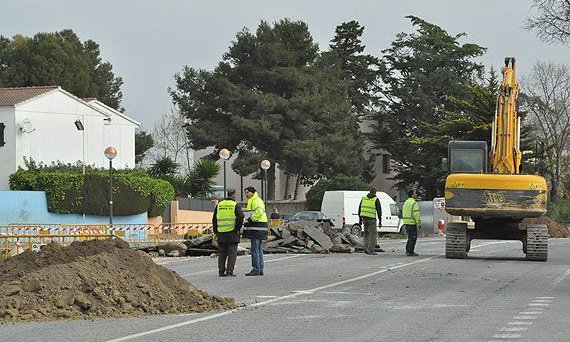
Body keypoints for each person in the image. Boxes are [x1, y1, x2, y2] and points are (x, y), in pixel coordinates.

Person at [212, 188, 244, 277]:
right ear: (233, 195)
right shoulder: (235, 205)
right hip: (232, 233)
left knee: (222, 254)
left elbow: (214, 219)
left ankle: (221, 272)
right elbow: (241, 216)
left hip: (221, 233)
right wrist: (237, 228)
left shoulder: (219, 205)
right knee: (232, 254)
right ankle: (229, 272)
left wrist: (216, 231)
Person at [242, 186, 268, 276]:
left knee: (255, 249)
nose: (246, 194)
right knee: (258, 249)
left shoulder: (256, 200)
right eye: (245, 192)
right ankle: (260, 269)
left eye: (247, 192)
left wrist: (250, 219)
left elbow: (259, 212)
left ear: (252, 192)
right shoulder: (254, 200)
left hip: (257, 227)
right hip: (260, 226)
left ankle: (256, 269)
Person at [358, 187, 382, 255]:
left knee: (366, 233)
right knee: (373, 234)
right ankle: (371, 250)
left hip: (364, 218)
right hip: (371, 219)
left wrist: (360, 219)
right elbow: (379, 210)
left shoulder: (364, 198)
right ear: (375, 193)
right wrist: (380, 220)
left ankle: (366, 247)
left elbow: (359, 209)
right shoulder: (376, 199)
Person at [402, 189, 421, 256]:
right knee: (413, 237)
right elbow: (416, 214)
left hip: (406, 222)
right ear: (412, 195)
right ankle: (410, 251)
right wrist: (418, 222)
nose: (416, 194)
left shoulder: (406, 202)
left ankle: (408, 250)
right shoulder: (414, 203)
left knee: (410, 237)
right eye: (415, 193)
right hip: (412, 222)